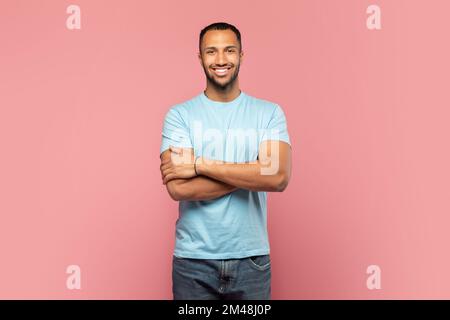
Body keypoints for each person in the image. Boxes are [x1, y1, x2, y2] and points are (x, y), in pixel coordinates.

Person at [159, 22, 292, 300]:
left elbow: (278, 177)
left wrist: (199, 164)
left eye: (229, 50)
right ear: (200, 57)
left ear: (242, 55)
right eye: (211, 51)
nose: (221, 60)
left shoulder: (268, 113)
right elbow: (179, 189)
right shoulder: (180, 116)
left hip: (252, 260)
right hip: (193, 262)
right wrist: (253, 172)